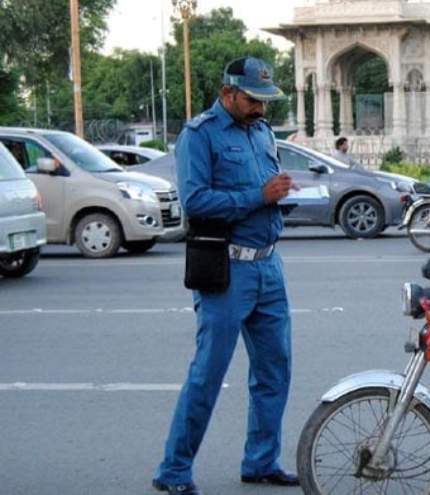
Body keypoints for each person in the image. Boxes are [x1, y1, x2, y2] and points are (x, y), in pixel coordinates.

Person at [152, 56, 299, 495]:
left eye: (265, 101)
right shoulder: (199, 135)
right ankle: (173, 471)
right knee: (208, 374)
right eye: (253, 100)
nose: (260, 108)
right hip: (227, 270)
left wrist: (277, 195)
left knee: (275, 371)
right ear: (228, 93)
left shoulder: (262, 131)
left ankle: (260, 462)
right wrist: (258, 195)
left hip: (269, 265)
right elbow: (195, 202)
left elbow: (264, 187)